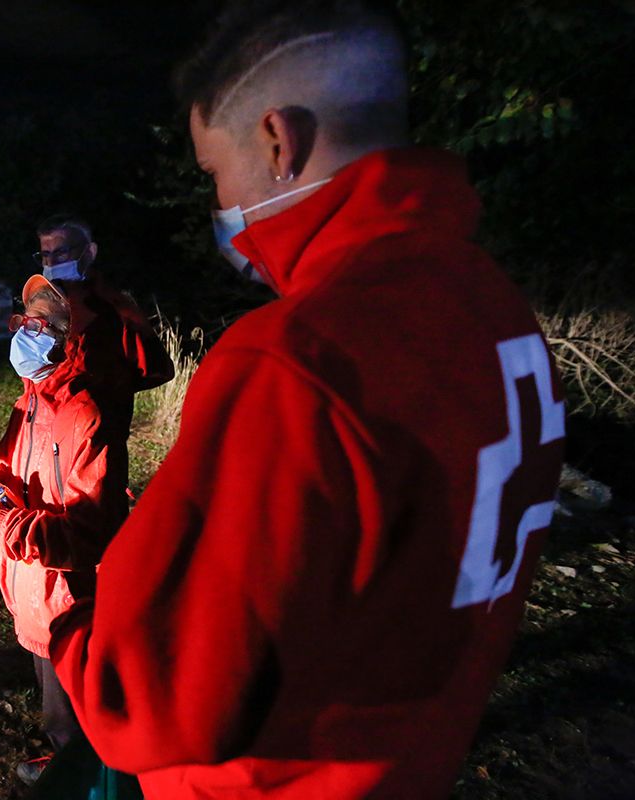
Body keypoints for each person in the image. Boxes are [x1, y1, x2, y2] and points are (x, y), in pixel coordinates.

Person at [48, 3, 566, 798]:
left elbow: (155, 695)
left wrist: (74, 631)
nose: (218, 203)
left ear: (277, 141)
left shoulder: (297, 359)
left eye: (213, 172)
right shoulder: (493, 305)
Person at [0, 275, 130, 786]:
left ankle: (86, 780)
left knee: (79, 709)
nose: (22, 335)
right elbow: (6, 466)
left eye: (38, 325)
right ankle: (64, 756)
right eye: (22, 322)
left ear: (70, 337)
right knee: (55, 703)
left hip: (68, 602)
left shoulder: (85, 414)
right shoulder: (30, 401)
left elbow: (86, 536)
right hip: (32, 590)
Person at [33, 214, 174, 427]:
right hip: (39, 435)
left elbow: (157, 369)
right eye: (45, 255)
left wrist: (105, 392)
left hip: (92, 440)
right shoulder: (38, 303)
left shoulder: (115, 308)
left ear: (89, 252)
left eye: (61, 253)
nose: (51, 263)